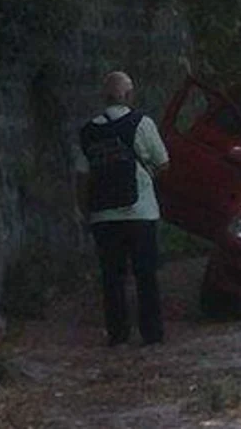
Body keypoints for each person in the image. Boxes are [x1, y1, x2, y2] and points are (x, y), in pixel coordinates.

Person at [73, 71, 170, 347]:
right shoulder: (142, 123)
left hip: (103, 216)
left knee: (112, 278)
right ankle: (151, 333)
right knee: (146, 275)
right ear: (128, 95)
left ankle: (117, 334)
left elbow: (82, 176)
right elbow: (163, 163)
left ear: (104, 97)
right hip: (140, 211)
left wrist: (84, 211)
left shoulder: (88, 132)